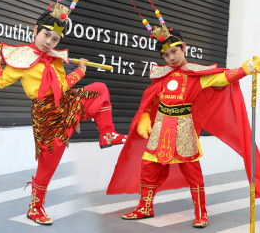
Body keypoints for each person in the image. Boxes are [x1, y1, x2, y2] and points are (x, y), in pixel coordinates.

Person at [0, 0, 126, 227]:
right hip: (46, 115)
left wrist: (81, 71)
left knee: (99, 88)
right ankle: (35, 208)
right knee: (48, 164)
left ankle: (107, 133)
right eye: (46, 35)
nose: (49, 42)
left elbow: (62, 87)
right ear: (35, 30)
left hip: (65, 104)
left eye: (55, 39)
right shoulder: (22, 58)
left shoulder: (56, 59)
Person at [107, 27, 260, 228]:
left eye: (174, 51)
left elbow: (224, 77)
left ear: (184, 48)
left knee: (192, 172)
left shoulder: (197, 74)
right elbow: (150, 102)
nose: (170, 57)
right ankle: (145, 207)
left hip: (184, 129)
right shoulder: (161, 75)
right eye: (165, 54)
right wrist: (145, 119)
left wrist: (246, 68)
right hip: (160, 128)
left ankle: (201, 212)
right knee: (148, 168)